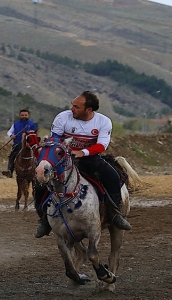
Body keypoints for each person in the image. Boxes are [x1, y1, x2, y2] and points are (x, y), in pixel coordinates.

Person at [34, 91, 131, 238]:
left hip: (90, 159)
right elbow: (55, 140)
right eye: (72, 105)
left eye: (76, 107)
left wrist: (82, 152)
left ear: (89, 110)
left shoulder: (103, 121)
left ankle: (115, 214)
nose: (72, 109)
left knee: (112, 176)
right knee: (40, 182)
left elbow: (102, 145)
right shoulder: (62, 117)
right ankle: (44, 220)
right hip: (63, 160)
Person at [2, 109, 38, 178]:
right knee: (13, 154)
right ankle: (10, 170)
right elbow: (9, 132)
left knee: (38, 154)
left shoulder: (33, 124)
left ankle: (38, 170)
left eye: (25, 115)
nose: (24, 116)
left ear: (28, 115)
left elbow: (34, 134)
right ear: (20, 116)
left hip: (30, 144)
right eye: (22, 115)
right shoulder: (15, 124)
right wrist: (11, 136)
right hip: (18, 144)